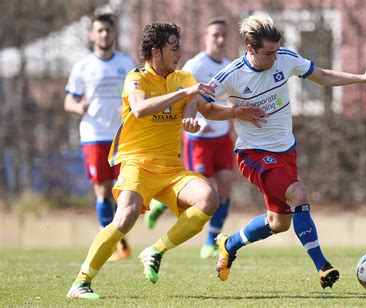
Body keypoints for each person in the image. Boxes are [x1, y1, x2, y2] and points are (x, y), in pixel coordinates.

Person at [66, 22, 266, 300]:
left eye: (180, 47)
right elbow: (139, 108)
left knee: (210, 198)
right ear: (155, 51)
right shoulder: (137, 78)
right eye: (174, 48)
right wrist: (186, 94)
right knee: (124, 217)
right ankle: (81, 282)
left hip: (171, 169)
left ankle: (156, 250)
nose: (180, 53)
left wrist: (237, 112)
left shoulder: (182, 78)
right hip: (137, 163)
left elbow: (207, 109)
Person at [205, 15, 366, 289]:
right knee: (299, 193)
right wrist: (236, 112)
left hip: (286, 152)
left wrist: (361, 79)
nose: (275, 58)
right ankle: (323, 266)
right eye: (268, 53)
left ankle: (229, 244)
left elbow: (321, 75)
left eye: (276, 51)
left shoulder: (285, 58)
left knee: (279, 223)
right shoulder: (232, 75)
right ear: (249, 48)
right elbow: (203, 105)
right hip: (253, 154)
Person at [144, 17, 236, 260]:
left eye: (224, 35)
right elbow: (186, 98)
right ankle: (162, 204)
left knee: (225, 186)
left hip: (222, 136)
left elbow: (230, 99)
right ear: (206, 38)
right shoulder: (195, 65)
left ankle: (212, 239)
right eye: (215, 34)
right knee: (207, 189)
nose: (220, 39)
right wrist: (196, 124)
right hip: (200, 139)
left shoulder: (229, 66)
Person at [64, 13, 135, 261]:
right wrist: (78, 106)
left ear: (114, 34)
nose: (104, 34)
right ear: (92, 34)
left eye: (108, 30)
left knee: (125, 190)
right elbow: (68, 101)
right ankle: (112, 241)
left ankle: (116, 235)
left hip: (122, 135)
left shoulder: (126, 64)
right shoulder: (83, 66)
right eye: (100, 30)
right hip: (94, 136)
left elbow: (138, 92)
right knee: (103, 191)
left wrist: (129, 106)